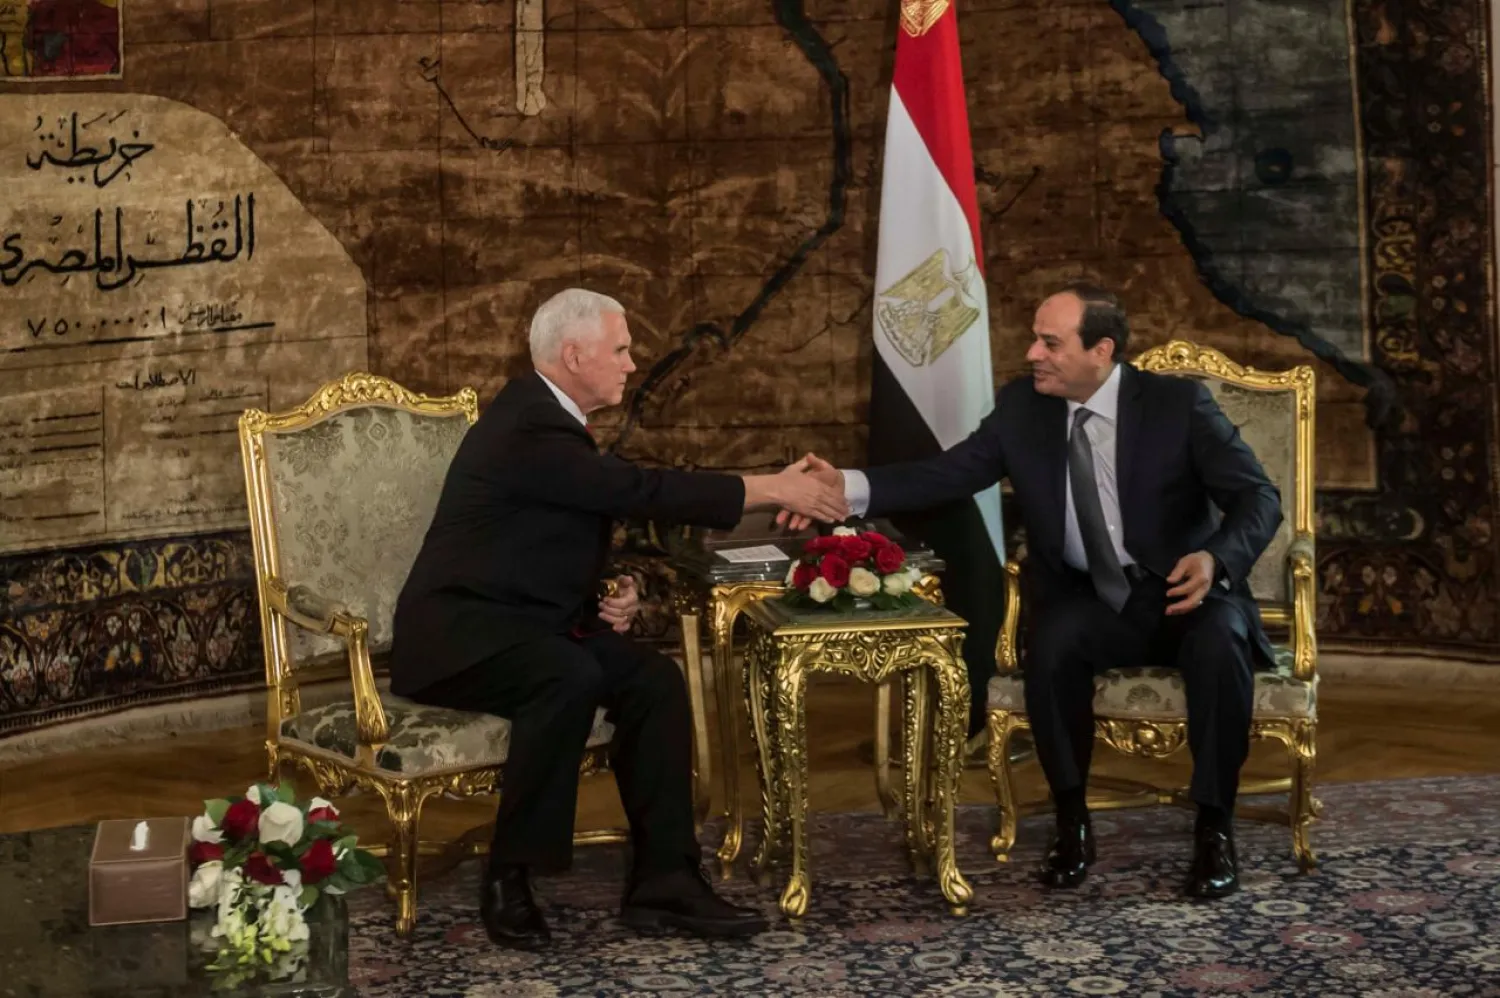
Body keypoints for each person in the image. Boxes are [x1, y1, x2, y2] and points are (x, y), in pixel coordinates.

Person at [390, 288, 848, 949]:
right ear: (574, 355)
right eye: (623, 349)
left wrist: (613, 587)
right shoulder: (528, 423)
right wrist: (772, 487)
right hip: (456, 637)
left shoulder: (549, 421)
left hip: (521, 623)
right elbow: (633, 491)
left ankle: (665, 878)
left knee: (652, 681)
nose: (633, 364)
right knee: (566, 675)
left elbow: (540, 540)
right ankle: (510, 875)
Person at [801, 284, 1281, 898]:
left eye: (1050, 342)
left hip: (1179, 593)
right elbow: (947, 473)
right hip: (1090, 598)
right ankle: (1072, 822)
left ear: (1101, 350)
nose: (1032, 353)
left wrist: (1217, 558)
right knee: (1052, 645)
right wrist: (844, 485)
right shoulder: (1023, 409)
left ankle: (1214, 826)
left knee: (1221, 646)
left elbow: (1258, 497)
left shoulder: (1177, 405)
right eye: (1035, 338)